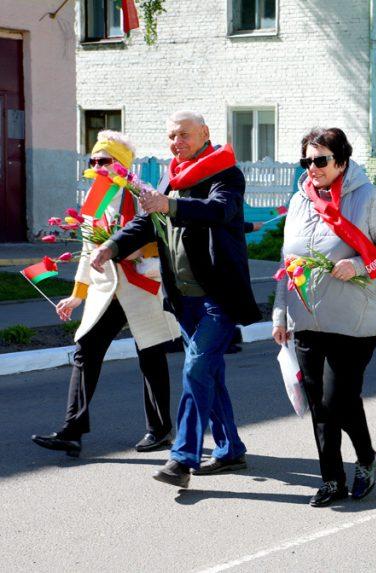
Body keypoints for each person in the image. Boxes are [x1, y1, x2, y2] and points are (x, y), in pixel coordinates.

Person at [91, 111, 261, 488]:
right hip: (184, 298)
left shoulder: (225, 173)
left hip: (218, 295)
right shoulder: (173, 175)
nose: (176, 142)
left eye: (184, 134)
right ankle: (231, 449)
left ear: (205, 134)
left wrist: (170, 206)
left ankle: (182, 459)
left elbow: (220, 211)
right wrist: (112, 245)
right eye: (171, 136)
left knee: (196, 369)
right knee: (209, 374)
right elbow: (150, 221)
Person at [271, 128, 376, 506]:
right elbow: (287, 262)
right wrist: (281, 314)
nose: (313, 167)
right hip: (306, 318)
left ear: (341, 161)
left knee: (337, 399)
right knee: (319, 404)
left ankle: (366, 459)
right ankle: (331, 479)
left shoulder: (368, 199)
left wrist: (359, 266)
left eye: (321, 160)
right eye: (307, 161)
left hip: (354, 321)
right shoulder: (299, 201)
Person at [31, 131, 179, 458]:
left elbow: (161, 236)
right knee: (87, 349)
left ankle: (160, 430)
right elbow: (87, 249)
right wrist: (76, 295)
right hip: (106, 290)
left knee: (150, 354)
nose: (97, 166)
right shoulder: (95, 197)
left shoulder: (142, 194)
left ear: (122, 165)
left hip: (141, 287)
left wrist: (144, 257)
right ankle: (72, 431)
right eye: (93, 160)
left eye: (105, 160)